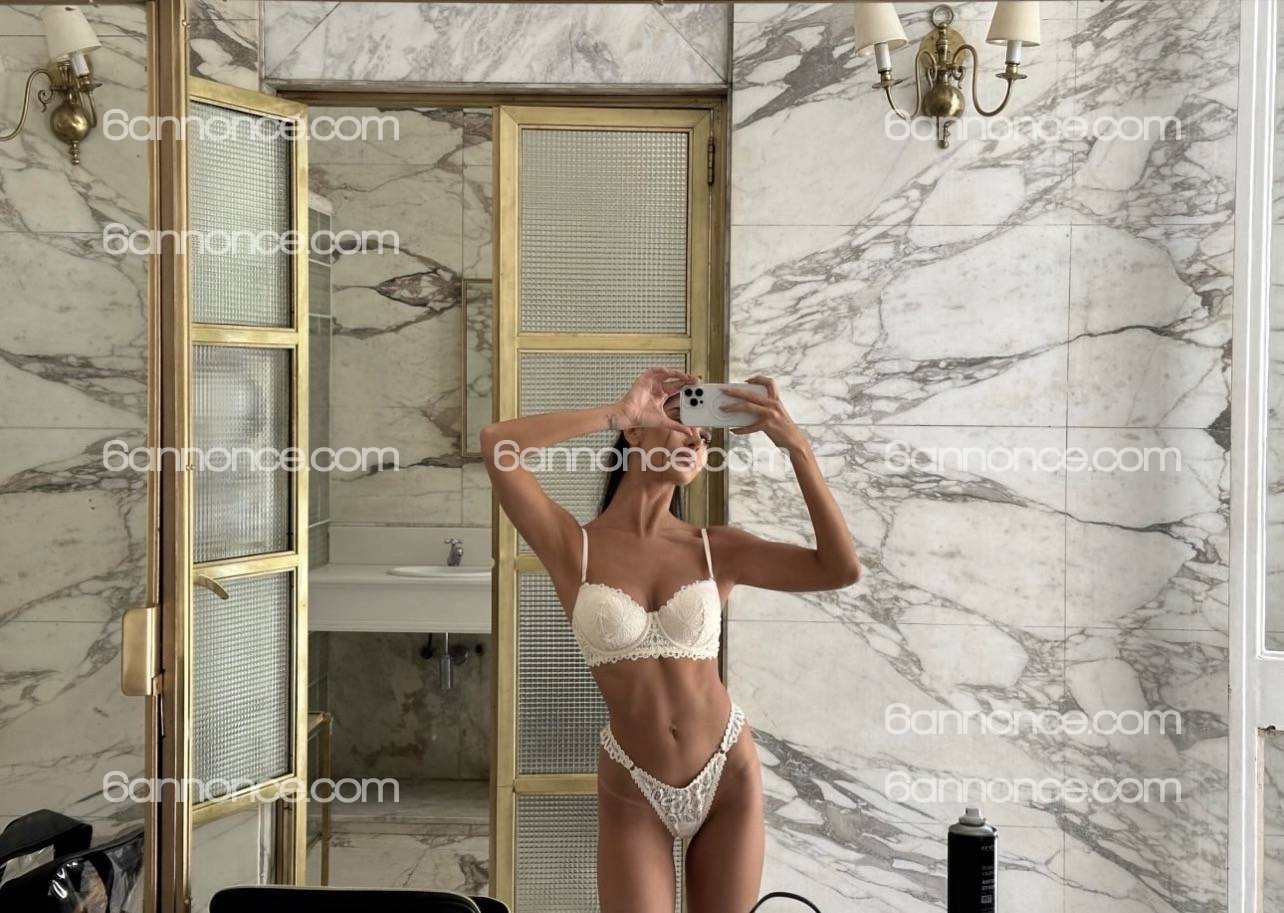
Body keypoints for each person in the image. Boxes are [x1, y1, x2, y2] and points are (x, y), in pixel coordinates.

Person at [481, 367, 862, 912]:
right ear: (637, 433)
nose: (696, 439)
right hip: (633, 782)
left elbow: (839, 569)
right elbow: (498, 445)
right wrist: (616, 414)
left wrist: (794, 445)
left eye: (704, 436)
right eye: (683, 423)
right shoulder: (572, 547)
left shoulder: (716, 549)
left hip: (727, 770)